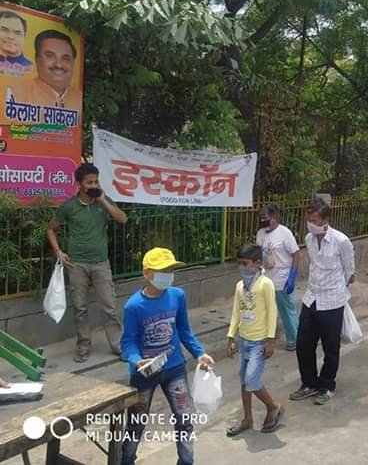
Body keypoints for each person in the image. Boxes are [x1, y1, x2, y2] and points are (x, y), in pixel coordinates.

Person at [120, 247, 215, 465]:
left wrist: (199, 353)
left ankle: (186, 461)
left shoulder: (177, 296)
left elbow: (184, 330)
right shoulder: (133, 306)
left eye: (171, 270)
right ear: (147, 273)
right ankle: (126, 461)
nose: (168, 275)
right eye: (162, 270)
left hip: (174, 369)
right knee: (136, 424)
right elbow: (127, 342)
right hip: (144, 374)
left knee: (185, 419)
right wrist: (137, 360)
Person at [47, 163, 126, 363]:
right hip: (77, 264)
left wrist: (102, 200)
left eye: (96, 181)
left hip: (101, 263)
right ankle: (83, 346)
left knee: (109, 306)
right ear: (79, 184)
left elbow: (123, 219)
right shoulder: (69, 206)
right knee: (80, 307)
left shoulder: (102, 202)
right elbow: (51, 228)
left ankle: (118, 346)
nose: (93, 185)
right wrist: (58, 252)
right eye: (89, 182)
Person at [290, 198, 355, 406]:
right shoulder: (309, 239)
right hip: (311, 298)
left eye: (315, 220)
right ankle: (309, 383)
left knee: (331, 348)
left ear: (326, 220)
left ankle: (327, 385)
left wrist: (337, 289)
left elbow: (349, 271)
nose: (311, 224)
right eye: (308, 220)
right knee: (303, 345)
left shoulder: (341, 241)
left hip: (332, 301)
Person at [226, 244, 284, 436]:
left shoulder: (265, 284)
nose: (242, 267)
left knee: (251, 380)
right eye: (239, 264)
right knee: (244, 381)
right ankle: (247, 419)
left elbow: (272, 313)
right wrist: (231, 336)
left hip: (259, 342)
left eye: (245, 264)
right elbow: (236, 312)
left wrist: (270, 340)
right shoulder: (240, 286)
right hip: (244, 339)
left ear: (257, 263)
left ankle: (273, 406)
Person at [256, 205, 300, 351]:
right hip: (265, 277)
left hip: (282, 278)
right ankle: (268, 337)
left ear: (274, 218)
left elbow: (296, 254)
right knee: (266, 310)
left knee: (286, 310)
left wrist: (292, 276)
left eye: (265, 218)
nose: (262, 221)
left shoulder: (284, 233)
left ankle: (295, 339)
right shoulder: (260, 233)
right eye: (261, 218)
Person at [10, 29, 82, 109]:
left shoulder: (80, 99)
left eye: (65, 58)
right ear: (37, 58)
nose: (58, 65)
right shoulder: (15, 94)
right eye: (50, 56)